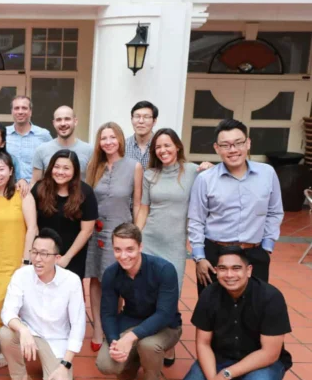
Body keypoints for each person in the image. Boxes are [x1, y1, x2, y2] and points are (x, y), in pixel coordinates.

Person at [173, 246, 293, 380]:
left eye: (236, 268)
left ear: (248, 270)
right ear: (216, 271)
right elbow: (203, 344)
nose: (229, 275)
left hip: (258, 360)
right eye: (223, 269)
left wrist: (226, 374)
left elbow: (270, 353)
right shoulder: (209, 294)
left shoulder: (270, 297)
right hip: (221, 357)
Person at [135, 129, 211, 366]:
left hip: (175, 245)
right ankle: (146, 342)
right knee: (147, 294)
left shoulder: (192, 171)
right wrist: (136, 239)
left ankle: (168, 344)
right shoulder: (150, 174)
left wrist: (210, 167)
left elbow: (214, 183)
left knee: (170, 296)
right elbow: (144, 209)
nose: (163, 150)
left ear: (177, 146)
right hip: (149, 241)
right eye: (158, 147)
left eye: (167, 145)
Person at [188, 119, 283, 295]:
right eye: (225, 145)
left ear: (248, 143)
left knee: (254, 306)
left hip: (254, 253)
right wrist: (199, 257)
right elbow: (196, 219)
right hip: (215, 253)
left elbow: (274, 211)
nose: (233, 150)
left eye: (238, 143)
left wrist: (266, 247)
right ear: (217, 148)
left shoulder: (267, 173)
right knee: (212, 306)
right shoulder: (205, 179)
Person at [95, 223, 182, 380]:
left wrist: (129, 338)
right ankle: (133, 362)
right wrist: (114, 342)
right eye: (118, 249)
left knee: (148, 345)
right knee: (105, 364)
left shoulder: (164, 269)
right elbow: (108, 313)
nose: (123, 256)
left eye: (130, 249)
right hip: (131, 319)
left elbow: (165, 314)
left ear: (140, 247)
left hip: (166, 326)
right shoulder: (111, 273)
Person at [0, 228, 85, 380]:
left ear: (57, 258)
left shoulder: (71, 281)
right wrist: (23, 330)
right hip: (29, 333)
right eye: (34, 252)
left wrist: (65, 365)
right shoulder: (22, 275)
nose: (37, 259)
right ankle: (20, 379)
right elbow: (7, 311)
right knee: (5, 333)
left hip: (56, 341)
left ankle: (53, 365)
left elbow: (78, 326)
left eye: (44, 254)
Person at [85, 122, 142, 351]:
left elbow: (137, 204)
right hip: (95, 230)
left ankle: (112, 325)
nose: (108, 142)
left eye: (112, 137)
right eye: (103, 138)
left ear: (120, 139)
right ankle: (98, 328)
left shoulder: (134, 167)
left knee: (114, 280)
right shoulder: (93, 166)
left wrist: (136, 235)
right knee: (95, 278)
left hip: (121, 232)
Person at [24, 149, 97, 280]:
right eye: (56, 167)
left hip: (72, 257)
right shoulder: (40, 188)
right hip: (42, 255)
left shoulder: (86, 192)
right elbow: (31, 224)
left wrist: (66, 258)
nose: (60, 172)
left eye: (66, 168)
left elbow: (87, 231)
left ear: (75, 171)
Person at [0, 152, 26, 367]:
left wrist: (27, 260)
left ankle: (5, 348)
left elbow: (32, 227)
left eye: (2, 169)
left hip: (16, 258)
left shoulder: (22, 194)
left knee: (12, 303)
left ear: (11, 171)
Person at [31, 106, 93, 184]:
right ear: (54, 123)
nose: (63, 124)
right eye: (59, 120)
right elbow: (35, 183)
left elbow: (92, 184)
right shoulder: (41, 150)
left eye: (67, 119)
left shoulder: (89, 151)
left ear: (75, 121)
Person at [5, 95, 52, 183]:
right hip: (8, 187)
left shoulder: (43, 135)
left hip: (36, 187)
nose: (20, 112)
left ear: (30, 112)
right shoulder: (3, 134)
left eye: (24, 108)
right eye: (16, 108)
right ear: (12, 111)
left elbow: (52, 163)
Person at [125, 101, 158, 169]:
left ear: (154, 121)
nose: (141, 121)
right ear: (131, 120)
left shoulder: (161, 146)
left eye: (146, 117)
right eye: (137, 116)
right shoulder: (123, 146)